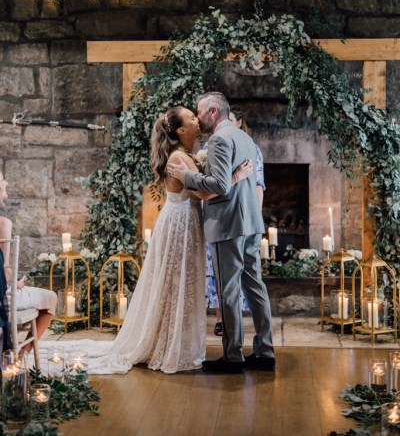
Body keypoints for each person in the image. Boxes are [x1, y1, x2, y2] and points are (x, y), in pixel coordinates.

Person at [69, 106, 252, 375]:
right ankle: (169, 345)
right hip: (181, 222)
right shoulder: (180, 158)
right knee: (176, 282)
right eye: (191, 117)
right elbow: (203, 194)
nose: (197, 119)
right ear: (181, 130)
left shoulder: (185, 154)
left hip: (182, 220)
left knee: (177, 282)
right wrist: (236, 177)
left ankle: (172, 340)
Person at [168, 92, 274, 374]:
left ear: (213, 111)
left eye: (200, 112)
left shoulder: (218, 139)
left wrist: (186, 176)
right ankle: (265, 352)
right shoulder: (244, 138)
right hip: (251, 222)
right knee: (255, 287)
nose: (198, 118)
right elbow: (239, 182)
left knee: (228, 291)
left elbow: (219, 185)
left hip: (228, 224)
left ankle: (232, 356)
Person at [205, 105, 266, 336]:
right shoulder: (211, 144)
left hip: (234, 221)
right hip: (221, 220)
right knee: (223, 276)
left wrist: (255, 218)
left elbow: (258, 185)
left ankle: (233, 348)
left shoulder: (248, 147)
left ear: (239, 123)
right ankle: (230, 327)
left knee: (232, 281)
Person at [0, 173, 57, 355]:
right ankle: (21, 355)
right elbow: (4, 271)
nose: (6, 182)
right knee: (52, 298)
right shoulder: (3, 223)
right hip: (5, 297)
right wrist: (17, 283)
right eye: (2, 180)